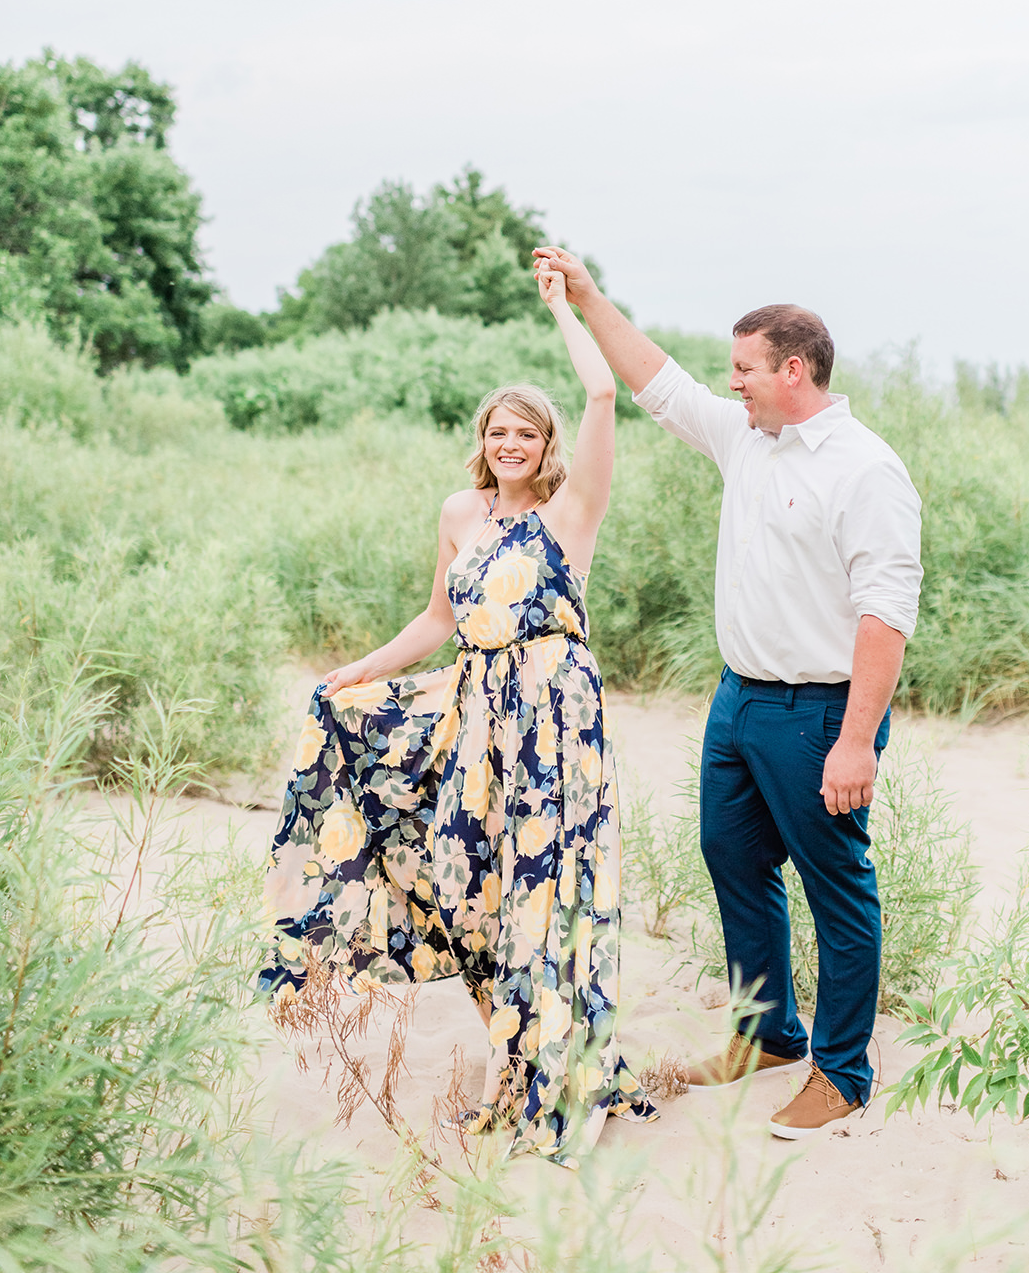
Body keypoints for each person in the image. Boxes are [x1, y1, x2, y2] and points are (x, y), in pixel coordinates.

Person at [258, 263, 658, 1167]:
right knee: (467, 883)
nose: (510, 442)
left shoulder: (570, 514)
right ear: (481, 440)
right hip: (476, 717)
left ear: (547, 443)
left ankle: (537, 1077)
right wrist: (354, 671)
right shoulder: (459, 513)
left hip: (556, 728)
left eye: (526, 431)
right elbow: (437, 620)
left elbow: (601, 388)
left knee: (546, 896)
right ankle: (512, 1055)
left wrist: (564, 304)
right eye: (497, 430)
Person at [532, 247, 923, 1138]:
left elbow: (884, 615)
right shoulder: (746, 436)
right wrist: (587, 297)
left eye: (742, 369)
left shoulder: (865, 470)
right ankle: (766, 1036)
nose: (730, 384)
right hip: (738, 701)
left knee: (837, 890)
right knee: (732, 860)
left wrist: (855, 740)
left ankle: (844, 1073)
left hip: (819, 713)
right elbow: (655, 380)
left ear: (793, 370)